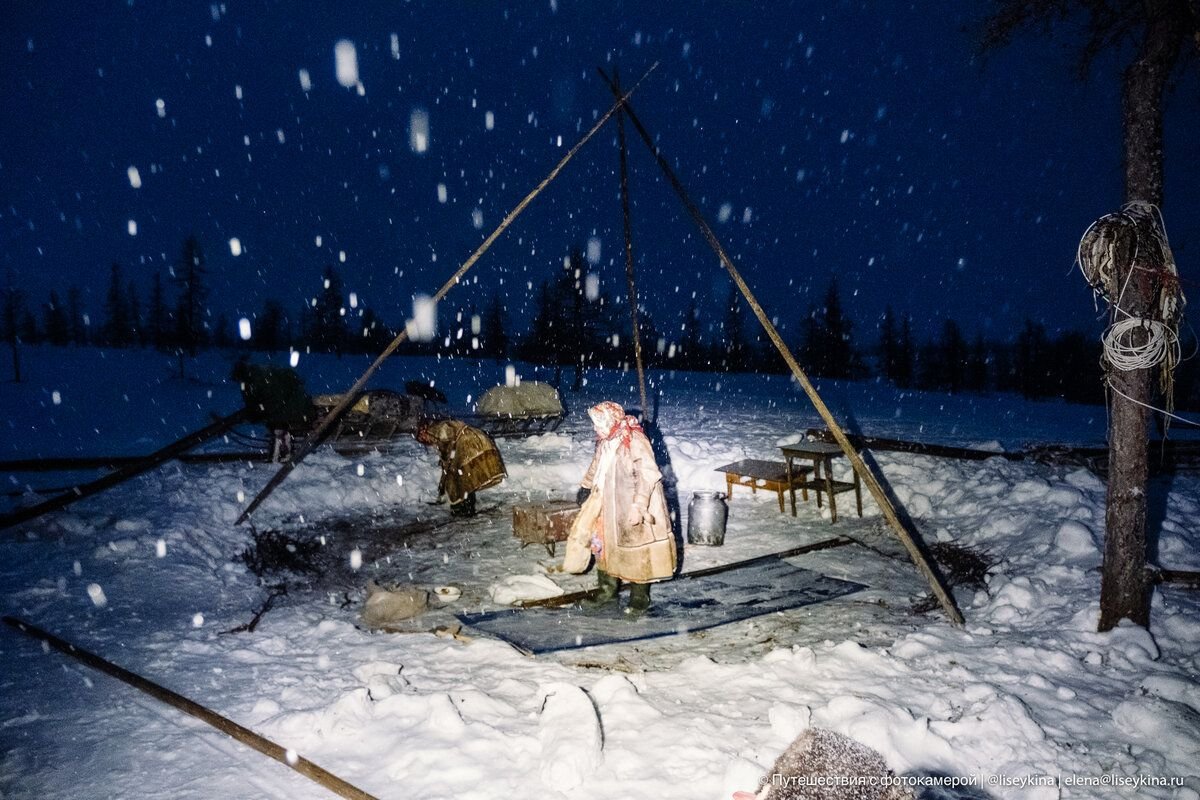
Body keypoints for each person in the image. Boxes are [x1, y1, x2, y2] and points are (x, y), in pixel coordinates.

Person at [564, 401, 676, 616]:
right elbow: (597, 465)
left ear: (611, 421)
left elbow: (648, 473)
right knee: (604, 546)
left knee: (637, 551)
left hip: (631, 503)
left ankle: (639, 599)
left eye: (599, 424)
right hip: (607, 503)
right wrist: (586, 486)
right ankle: (607, 592)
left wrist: (639, 504)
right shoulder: (606, 439)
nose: (595, 429)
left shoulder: (634, 440)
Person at [415, 418, 506, 517]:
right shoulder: (437, 430)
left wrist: (446, 461)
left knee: (459, 477)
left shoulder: (435, 430)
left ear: (423, 431)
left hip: (470, 443)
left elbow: (448, 445)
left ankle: (462, 508)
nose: (424, 440)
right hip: (474, 441)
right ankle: (465, 506)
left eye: (422, 437)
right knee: (465, 477)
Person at [231, 358, 316, 462]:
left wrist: (258, 410)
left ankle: (277, 456)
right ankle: (281, 454)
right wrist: (254, 410)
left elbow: (273, 399)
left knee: (278, 428)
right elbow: (255, 400)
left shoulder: (260, 378)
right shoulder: (253, 379)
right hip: (287, 405)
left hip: (291, 407)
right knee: (278, 427)